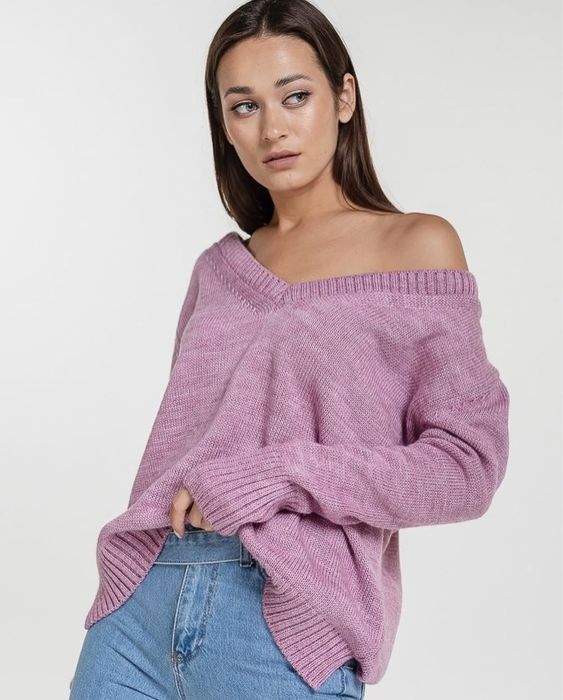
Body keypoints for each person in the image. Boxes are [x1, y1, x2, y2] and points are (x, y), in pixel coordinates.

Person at [69, 1, 510, 698]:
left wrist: (279, 475)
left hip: (282, 620)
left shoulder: (416, 248)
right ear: (224, 124)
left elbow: (465, 469)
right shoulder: (218, 270)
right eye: (244, 106)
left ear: (343, 97)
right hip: (140, 610)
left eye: (295, 96)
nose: (272, 128)